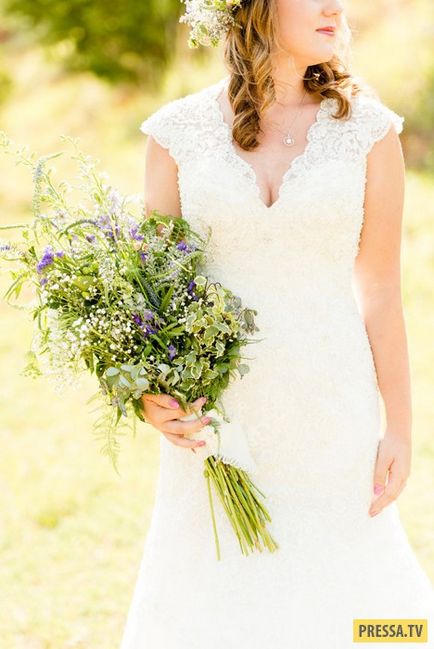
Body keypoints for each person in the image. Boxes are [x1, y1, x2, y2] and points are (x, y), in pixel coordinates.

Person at [120, 1, 434, 647]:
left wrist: (399, 427)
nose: (333, 7)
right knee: (216, 593)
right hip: (219, 414)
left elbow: (378, 288)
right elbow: (153, 290)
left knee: (362, 609)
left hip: (331, 400)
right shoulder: (176, 132)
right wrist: (148, 395)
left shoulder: (370, 133)